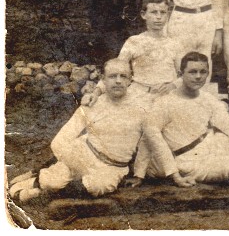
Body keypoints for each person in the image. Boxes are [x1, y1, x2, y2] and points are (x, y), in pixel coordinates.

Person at [9, 59, 148, 202]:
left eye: (123, 76)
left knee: (98, 186)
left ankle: (41, 192)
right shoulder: (93, 103)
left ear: (130, 80)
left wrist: (139, 175)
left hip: (112, 166)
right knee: (53, 180)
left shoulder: (140, 109)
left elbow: (147, 141)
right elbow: (64, 136)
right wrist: (68, 158)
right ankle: (36, 179)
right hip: (85, 154)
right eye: (112, 76)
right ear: (103, 79)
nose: (118, 81)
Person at [142, 52, 229, 187]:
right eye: (192, 72)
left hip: (212, 146)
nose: (198, 76)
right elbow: (154, 140)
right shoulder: (165, 102)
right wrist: (175, 176)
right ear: (180, 74)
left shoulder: (207, 98)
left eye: (203, 72)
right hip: (186, 159)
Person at [85, 0, 182, 108]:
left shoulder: (174, 44)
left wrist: (173, 86)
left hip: (166, 96)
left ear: (168, 15)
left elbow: (185, 76)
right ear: (143, 15)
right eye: (153, 12)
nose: (158, 17)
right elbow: (115, 69)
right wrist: (96, 93)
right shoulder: (134, 41)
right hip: (138, 96)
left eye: (163, 12)